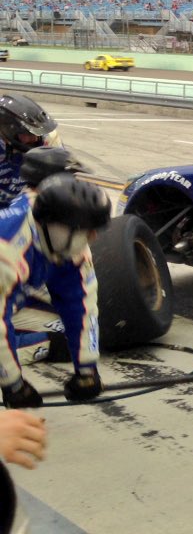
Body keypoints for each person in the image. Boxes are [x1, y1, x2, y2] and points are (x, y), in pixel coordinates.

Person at [0, 173, 112, 410]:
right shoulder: (7, 251)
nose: (92, 238)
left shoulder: (58, 237)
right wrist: (13, 385)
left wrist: (87, 370)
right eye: (86, 230)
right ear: (58, 227)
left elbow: (81, 304)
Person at [0, 94, 61, 208]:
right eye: (28, 134)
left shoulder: (49, 139)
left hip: (25, 206)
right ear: (8, 130)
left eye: (37, 134)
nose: (34, 139)